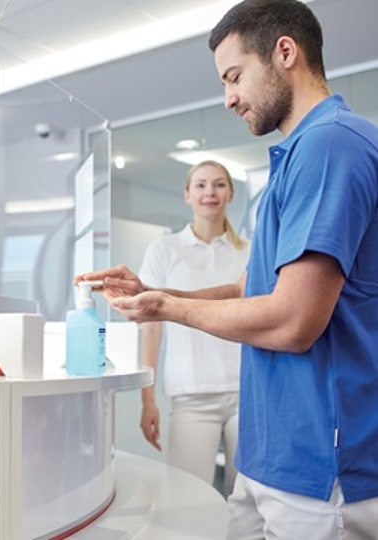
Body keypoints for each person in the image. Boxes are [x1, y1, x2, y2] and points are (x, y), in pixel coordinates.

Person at [76, 0, 378, 537]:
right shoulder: (295, 159)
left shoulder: (332, 147)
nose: (228, 98)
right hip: (266, 453)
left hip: (318, 463)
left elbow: (292, 321)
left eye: (234, 77)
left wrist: (166, 307)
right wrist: (155, 290)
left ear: (285, 52)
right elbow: (249, 286)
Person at [139, 160, 250, 496]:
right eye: (200, 185)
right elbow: (150, 327)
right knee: (187, 498)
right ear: (187, 194)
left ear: (231, 192)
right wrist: (147, 399)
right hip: (191, 394)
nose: (209, 192)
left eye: (218, 184)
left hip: (247, 391)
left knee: (248, 498)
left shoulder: (250, 250)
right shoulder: (163, 250)